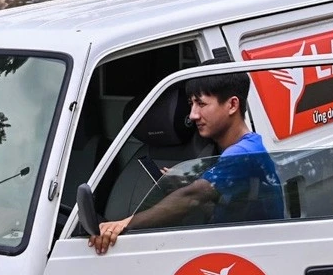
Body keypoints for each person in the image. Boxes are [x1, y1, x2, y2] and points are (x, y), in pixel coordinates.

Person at [88, 73, 283, 254]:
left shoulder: (242, 154)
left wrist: (123, 225)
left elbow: (192, 198)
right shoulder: (237, 149)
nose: (192, 115)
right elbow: (227, 211)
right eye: (191, 104)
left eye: (201, 104)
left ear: (232, 105)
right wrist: (180, 184)